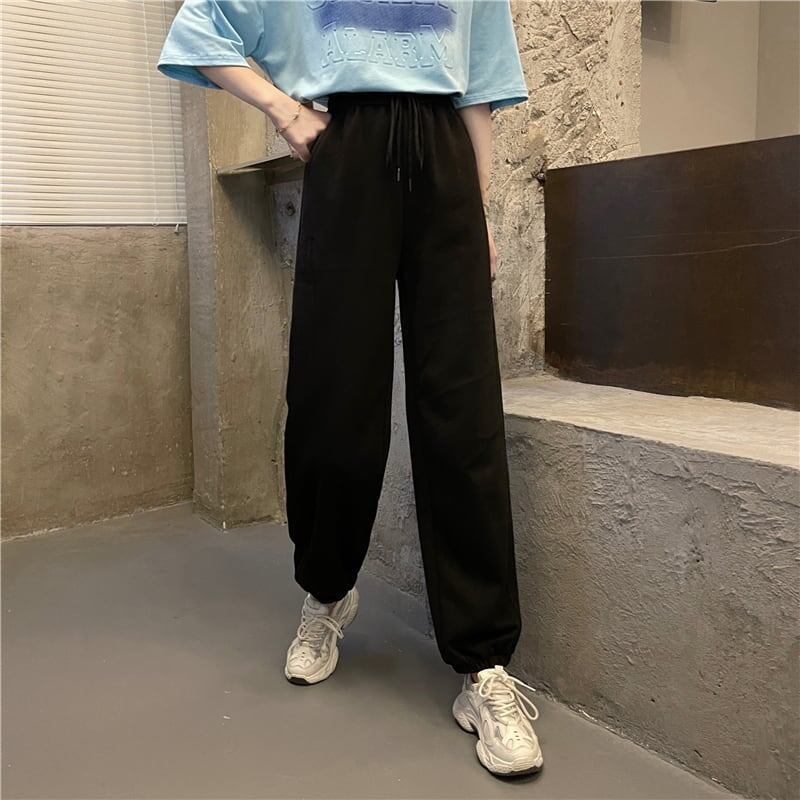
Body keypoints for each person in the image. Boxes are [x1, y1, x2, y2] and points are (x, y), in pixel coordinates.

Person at [158, 0, 542, 778]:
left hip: (445, 157)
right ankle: (328, 591)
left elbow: (478, 87)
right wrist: (282, 109)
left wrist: (478, 206)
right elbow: (199, 32)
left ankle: (483, 663)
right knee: (333, 397)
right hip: (348, 150)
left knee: (462, 410)